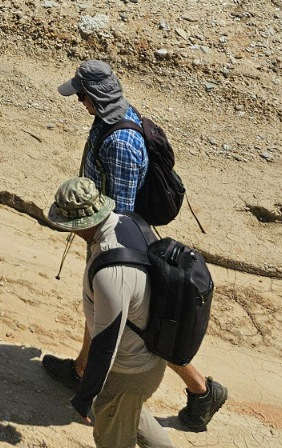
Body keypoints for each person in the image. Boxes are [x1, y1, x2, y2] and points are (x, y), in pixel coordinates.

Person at [42, 61, 226, 433]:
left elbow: (121, 212)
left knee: (144, 328)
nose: (78, 101)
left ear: (95, 97)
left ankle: (202, 390)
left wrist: (105, 255)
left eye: (81, 95)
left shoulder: (120, 143)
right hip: (111, 238)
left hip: (122, 243)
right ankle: (80, 369)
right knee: (107, 309)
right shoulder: (112, 118)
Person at [44, 176, 173, 448]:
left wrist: (84, 396)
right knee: (131, 413)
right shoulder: (129, 221)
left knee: (112, 437)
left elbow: (105, 345)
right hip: (149, 359)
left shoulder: (110, 272)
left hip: (128, 370)